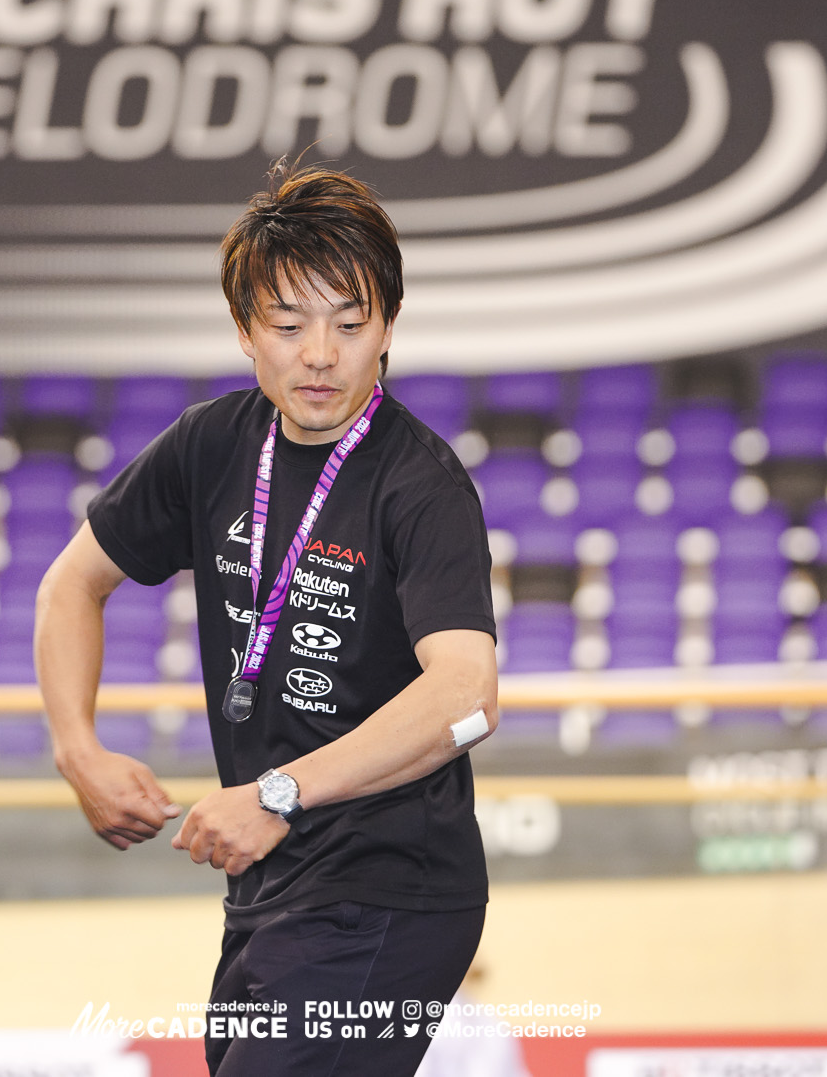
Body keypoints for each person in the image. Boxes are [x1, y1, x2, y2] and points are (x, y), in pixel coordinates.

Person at [37, 164, 498, 1077]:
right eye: (289, 325)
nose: (320, 353)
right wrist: (76, 747)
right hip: (268, 885)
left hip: (389, 885)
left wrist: (278, 792)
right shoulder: (212, 443)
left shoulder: (422, 484)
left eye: (350, 323)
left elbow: (467, 693)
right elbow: (69, 586)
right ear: (247, 329)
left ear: (388, 331)